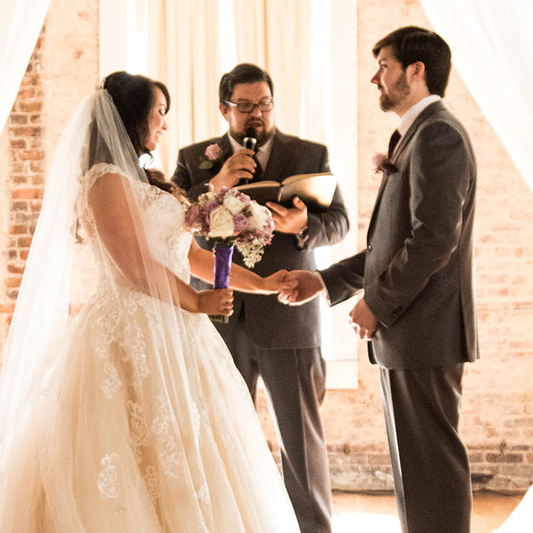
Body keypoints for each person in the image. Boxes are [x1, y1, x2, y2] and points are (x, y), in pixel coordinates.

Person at [0, 71, 301, 532]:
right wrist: (196, 304)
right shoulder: (104, 180)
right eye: (158, 113)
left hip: (176, 329)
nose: (163, 124)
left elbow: (191, 256)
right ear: (131, 117)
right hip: (130, 330)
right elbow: (133, 264)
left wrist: (261, 284)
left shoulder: (144, 179)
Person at [280, 27, 478, 533]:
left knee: (431, 467)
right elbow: (391, 245)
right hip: (411, 330)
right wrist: (324, 283)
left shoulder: (438, 134)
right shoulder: (418, 133)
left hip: (424, 329)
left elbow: (434, 241)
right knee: (417, 469)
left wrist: (377, 303)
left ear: (416, 71)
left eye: (385, 66)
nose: (376, 78)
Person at [172, 63, 349, 533]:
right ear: (223, 108)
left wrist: (304, 226)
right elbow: (171, 219)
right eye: (246, 106)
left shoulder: (310, 153)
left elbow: (342, 223)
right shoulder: (195, 158)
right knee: (222, 433)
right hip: (218, 312)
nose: (257, 115)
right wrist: (218, 183)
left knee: (301, 441)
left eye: (265, 104)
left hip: (289, 310)